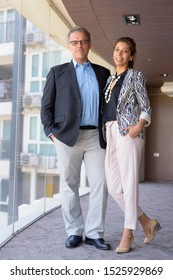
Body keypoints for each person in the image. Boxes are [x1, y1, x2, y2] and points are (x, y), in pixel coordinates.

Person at [41, 26, 111, 250]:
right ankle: (74, 231)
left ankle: (94, 233)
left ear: (89, 45)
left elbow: (109, 107)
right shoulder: (57, 72)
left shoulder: (103, 73)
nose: (79, 46)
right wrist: (51, 132)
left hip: (95, 137)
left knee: (101, 183)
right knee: (69, 185)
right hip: (66, 136)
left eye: (83, 41)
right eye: (74, 42)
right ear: (69, 46)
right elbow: (46, 106)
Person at [102, 37, 161, 253]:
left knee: (128, 184)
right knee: (114, 186)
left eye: (124, 51)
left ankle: (128, 233)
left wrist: (138, 126)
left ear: (131, 56)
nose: (119, 54)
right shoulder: (109, 80)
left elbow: (146, 106)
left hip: (129, 133)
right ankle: (146, 222)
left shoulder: (136, 76)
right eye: (117, 50)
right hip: (110, 132)